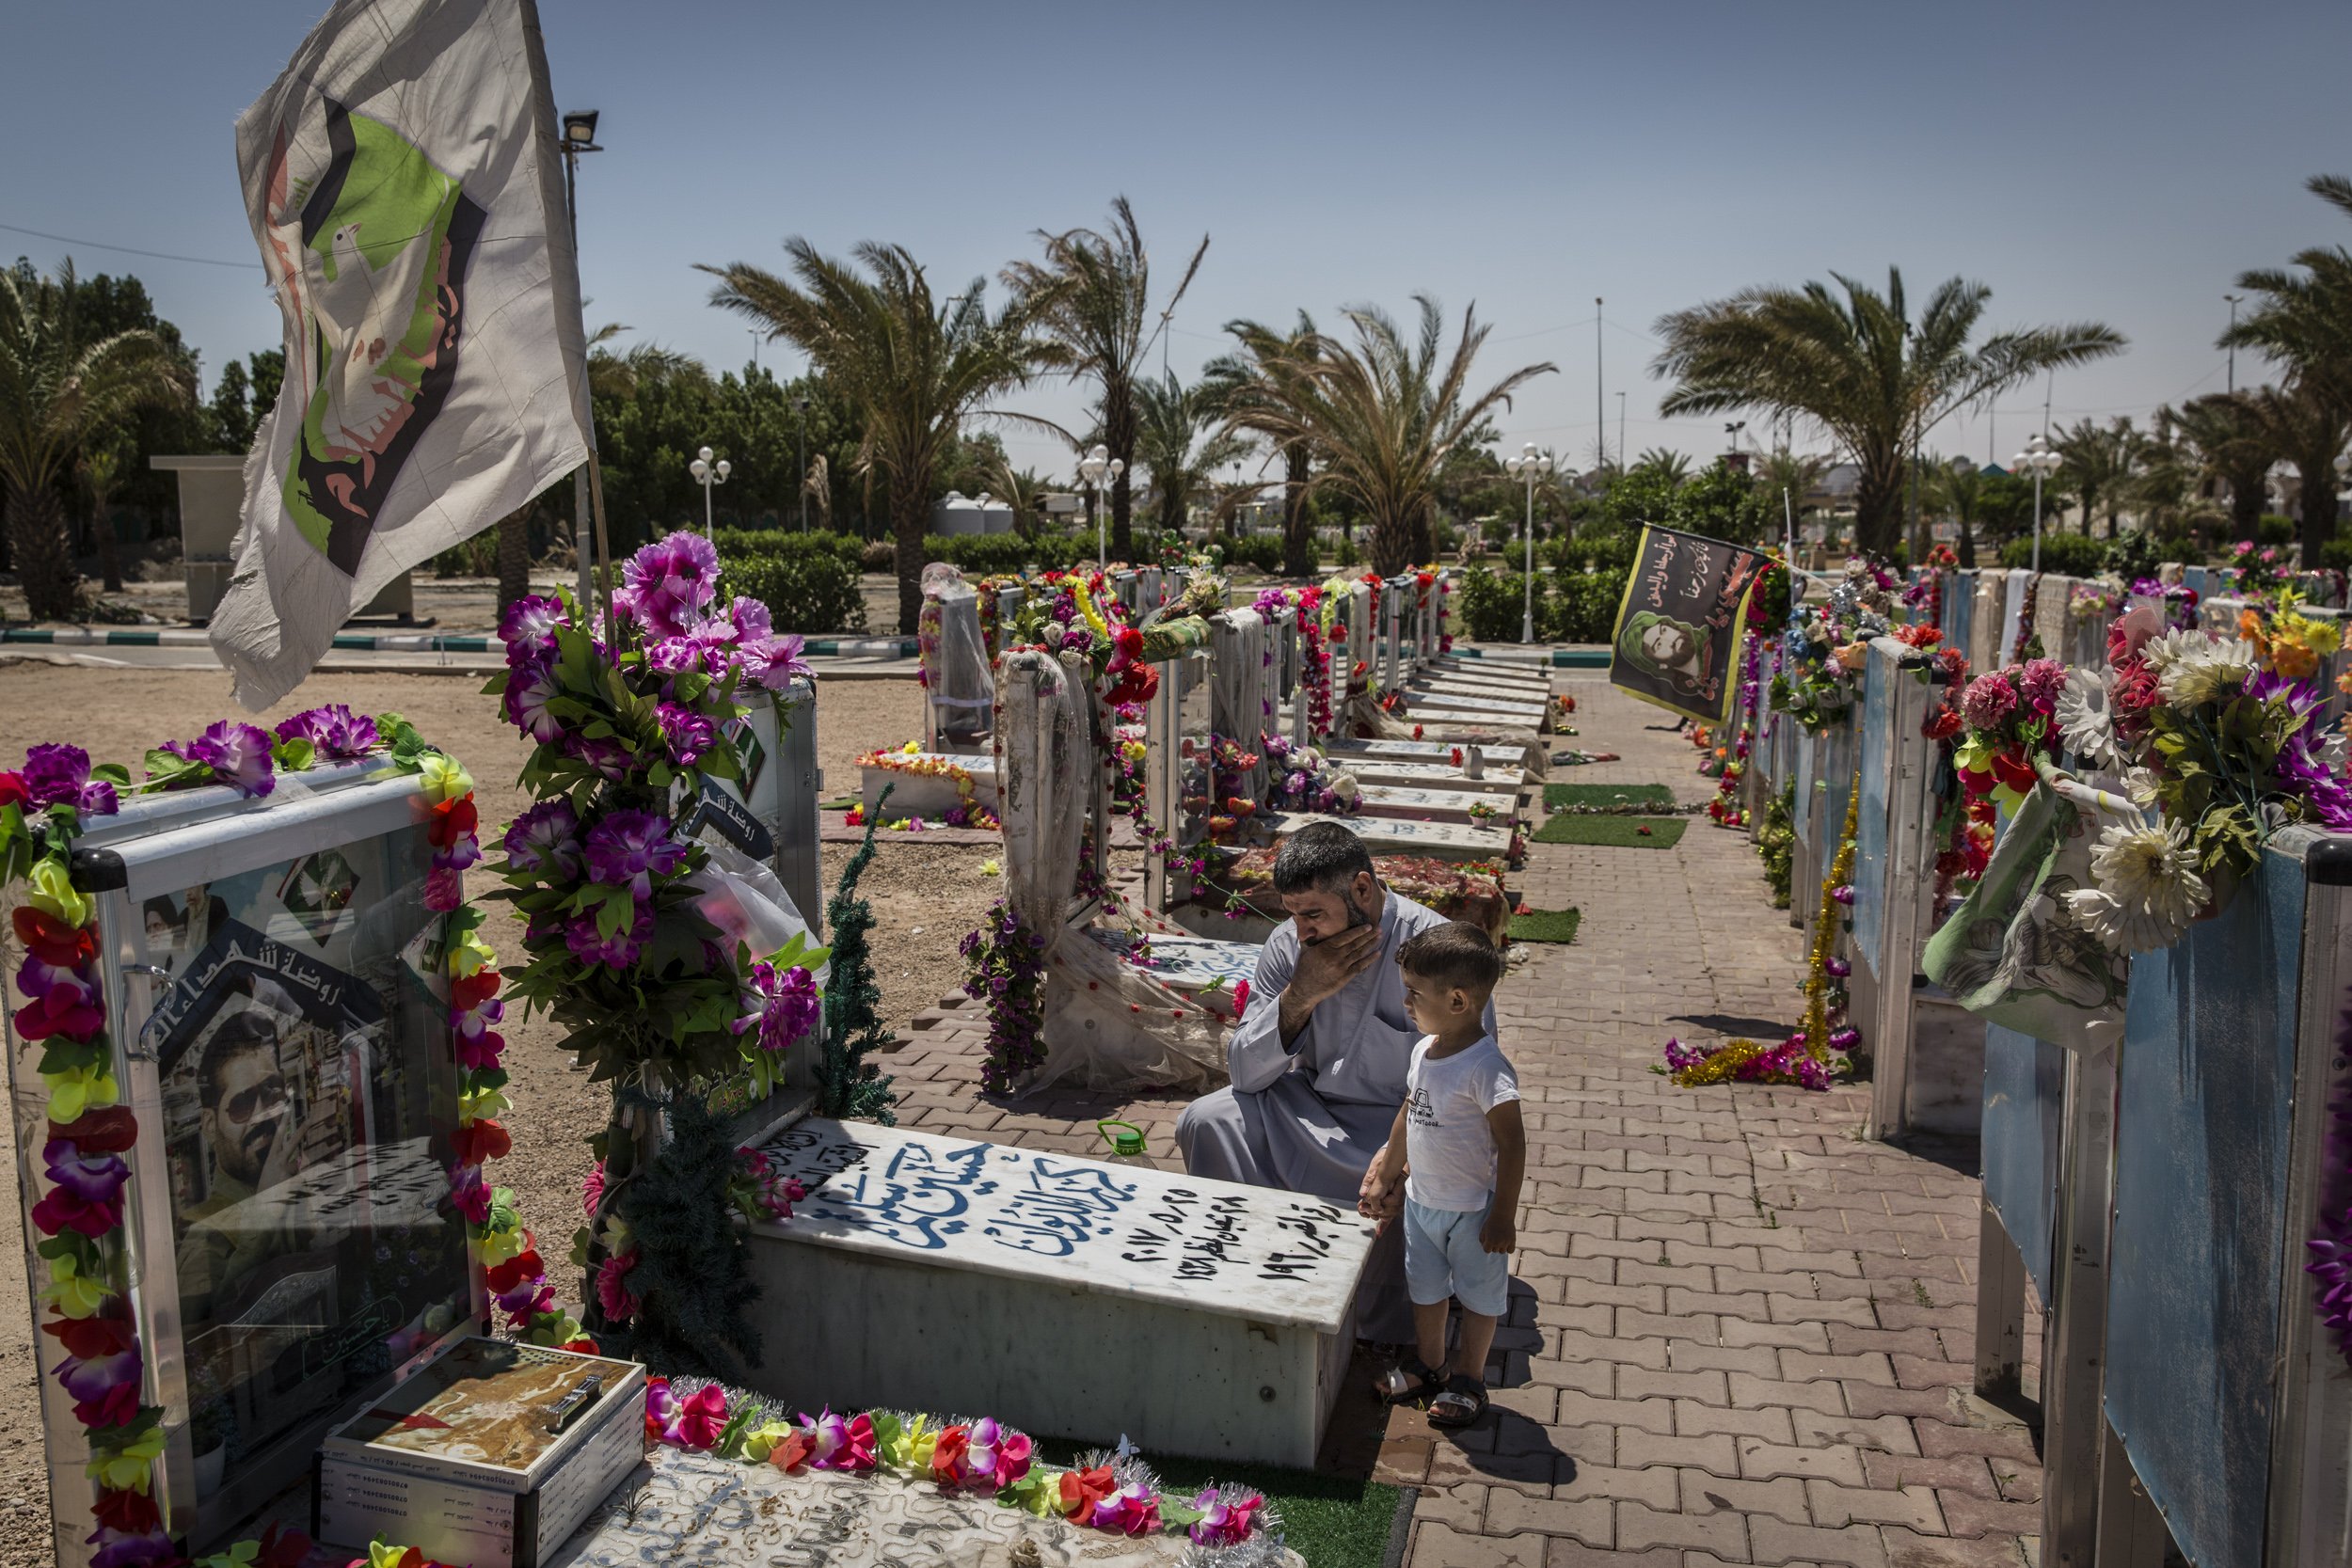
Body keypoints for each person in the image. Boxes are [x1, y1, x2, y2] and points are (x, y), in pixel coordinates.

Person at [1175, 821, 1493, 1340]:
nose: (1302, 931)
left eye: (1313, 914)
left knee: (1431, 1180)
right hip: (1306, 1113)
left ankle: (1380, 1320)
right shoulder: (1289, 947)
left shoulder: (1436, 949)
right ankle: (1235, 1274)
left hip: (1404, 1132)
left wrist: (1402, 1156)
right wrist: (1300, 994)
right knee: (1207, 1119)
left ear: (1363, 890)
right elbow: (1245, 1073)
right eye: (1293, 914)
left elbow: (1471, 1085)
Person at [1360, 923, 1525, 1428]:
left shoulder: (1487, 1068)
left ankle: (1470, 1378)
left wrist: (1503, 1216)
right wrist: (1389, 1173)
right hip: (1422, 1203)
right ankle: (1430, 1365)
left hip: (1474, 1210)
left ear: (1458, 1000)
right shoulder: (1423, 1050)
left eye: (1414, 992)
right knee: (1426, 1289)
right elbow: (1410, 1111)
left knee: (1478, 1297)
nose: (1405, 1001)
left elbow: (1513, 1145)